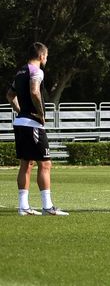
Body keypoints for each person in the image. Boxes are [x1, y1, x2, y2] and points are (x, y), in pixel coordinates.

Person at [7, 42, 67, 216]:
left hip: (20, 123)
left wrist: (20, 111)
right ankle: (47, 206)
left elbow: (10, 95)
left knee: (26, 164)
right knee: (45, 163)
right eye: (46, 56)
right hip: (33, 124)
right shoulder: (37, 71)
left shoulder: (20, 73)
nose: (46, 59)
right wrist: (41, 114)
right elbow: (35, 92)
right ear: (41, 56)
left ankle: (23, 207)